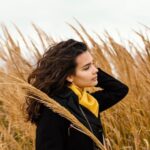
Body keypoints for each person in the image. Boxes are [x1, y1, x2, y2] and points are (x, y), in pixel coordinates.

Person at [25, 39, 129, 150]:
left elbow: (119, 90)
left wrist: (92, 70)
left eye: (93, 64)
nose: (95, 70)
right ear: (69, 76)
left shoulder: (87, 101)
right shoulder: (54, 108)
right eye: (86, 68)